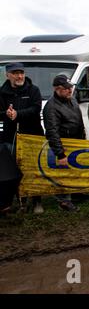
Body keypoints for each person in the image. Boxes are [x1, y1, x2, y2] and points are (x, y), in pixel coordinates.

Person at [0, 62, 44, 214]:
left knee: (34, 169)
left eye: (21, 72)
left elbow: (36, 108)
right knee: (14, 172)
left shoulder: (33, 90)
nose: (19, 76)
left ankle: (37, 201)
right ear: (8, 75)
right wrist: (6, 114)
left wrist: (18, 114)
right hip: (10, 138)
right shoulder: (2, 92)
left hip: (32, 136)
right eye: (15, 73)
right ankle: (21, 202)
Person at [43, 74, 85, 212]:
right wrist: (60, 154)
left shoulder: (72, 100)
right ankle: (64, 201)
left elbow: (79, 121)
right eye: (67, 88)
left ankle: (76, 193)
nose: (70, 90)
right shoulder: (51, 107)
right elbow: (52, 132)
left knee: (74, 171)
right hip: (63, 145)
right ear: (57, 89)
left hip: (76, 143)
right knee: (63, 173)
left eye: (71, 87)